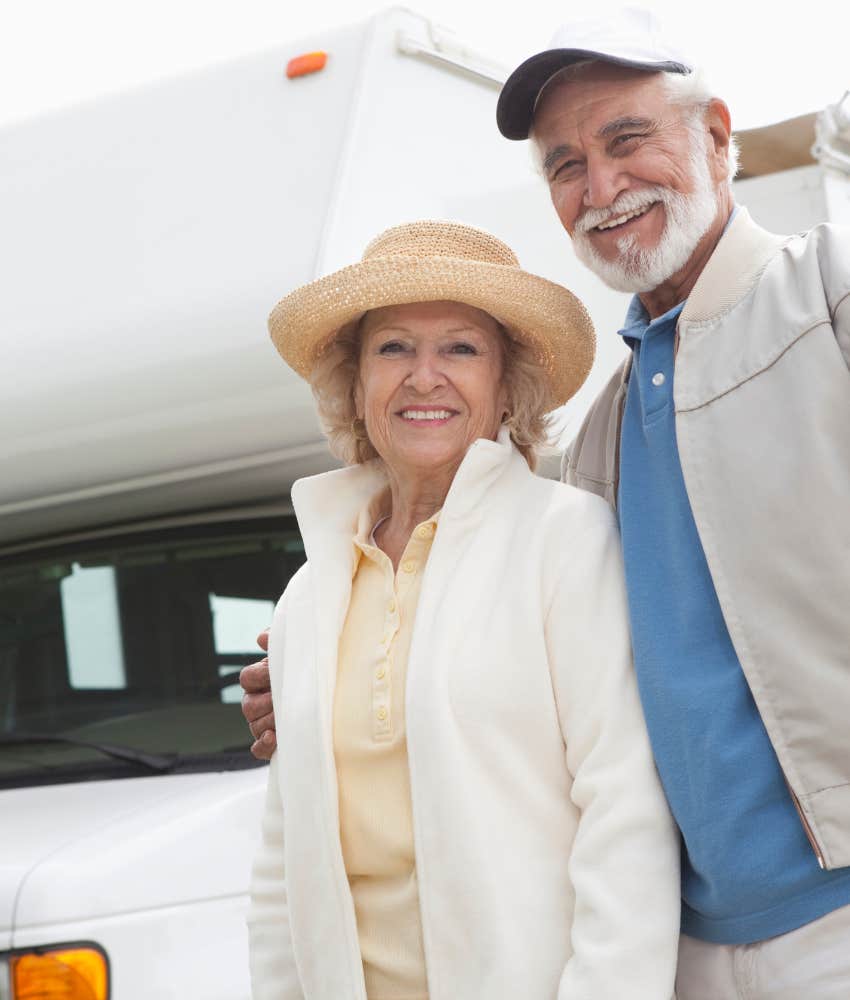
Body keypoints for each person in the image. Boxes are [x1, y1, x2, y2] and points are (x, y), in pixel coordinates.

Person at [243, 8, 850, 998]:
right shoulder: (596, 438)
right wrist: (308, 686)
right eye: (565, 163)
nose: (601, 187)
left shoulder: (828, 291)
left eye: (627, 140)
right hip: (695, 949)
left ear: (717, 135)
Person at [247, 219, 680, 999]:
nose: (423, 377)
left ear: (508, 386)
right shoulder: (310, 592)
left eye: (460, 348)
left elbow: (626, 812)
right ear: (354, 384)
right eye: (392, 348)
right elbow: (284, 862)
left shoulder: (565, 538)